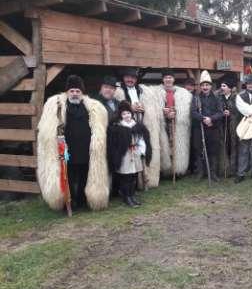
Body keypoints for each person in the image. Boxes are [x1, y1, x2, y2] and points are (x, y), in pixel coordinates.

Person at [37, 75, 109, 211]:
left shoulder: (91, 107)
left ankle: (81, 199)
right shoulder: (59, 107)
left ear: (82, 93)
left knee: (84, 175)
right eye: (72, 91)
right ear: (67, 92)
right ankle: (69, 200)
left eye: (77, 91)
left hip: (85, 149)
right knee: (68, 176)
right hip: (67, 150)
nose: (75, 94)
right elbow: (49, 127)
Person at [114, 67, 162, 188]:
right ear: (123, 78)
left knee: (142, 151)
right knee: (128, 155)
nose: (130, 80)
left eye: (133, 78)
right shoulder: (118, 92)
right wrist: (131, 109)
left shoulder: (142, 91)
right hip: (126, 128)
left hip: (141, 126)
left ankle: (144, 181)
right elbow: (118, 109)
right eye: (127, 77)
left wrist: (144, 109)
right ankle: (128, 186)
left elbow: (152, 107)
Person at [107, 101, 152, 207]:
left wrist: (142, 151)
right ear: (120, 116)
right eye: (123, 114)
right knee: (126, 177)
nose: (126, 116)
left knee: (134, 176)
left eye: (128, 113)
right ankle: (126, 197)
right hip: (125, 155)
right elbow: (114, 144)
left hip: (135, 153)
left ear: (131, 113)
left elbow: (141, 139)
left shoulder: (137, 125)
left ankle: (132, 195)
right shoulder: (118, 127)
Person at [157, 70, 192, 178]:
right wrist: (162, 111)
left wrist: (176, 112)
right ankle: (165, 170)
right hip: (163, 122)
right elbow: (155, 107)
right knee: (164, 145)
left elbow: (185, 109)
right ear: (163, 79)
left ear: (173, 79)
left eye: (170, 77)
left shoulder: (182, 93)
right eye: (166, 77)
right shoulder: (157, 92)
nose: (168, 79)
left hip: (176, 123)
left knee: (176, 145)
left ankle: (177, 170)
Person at [191, 70, 223, 182]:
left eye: (207, 85)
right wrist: (203, 119)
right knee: (199, 150)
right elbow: (193, 112)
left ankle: (213, 173)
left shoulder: (217, 98)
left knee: (213, 151)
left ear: (210, 86)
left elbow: (220, 112)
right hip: (199, 129)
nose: (205, 87)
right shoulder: (196, 98)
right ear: (200, 87)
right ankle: (200, 172)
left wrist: (211, 119)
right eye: (203, 85)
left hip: (213, 129)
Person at [218, 81, 239, 177]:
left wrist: (231, 112)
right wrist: (222, 112)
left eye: (224, 86)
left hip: (233, 126)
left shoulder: (236, 98)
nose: (222, 88)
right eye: (221, 86)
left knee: (233, 146)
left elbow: (239, 111)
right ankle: (224, 169)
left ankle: (233, 169)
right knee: (224, 147)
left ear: (229, 88)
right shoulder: (218, 97)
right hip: (222, 125)